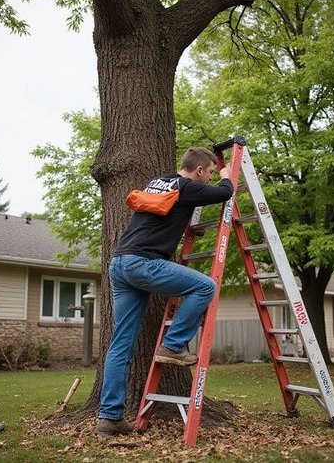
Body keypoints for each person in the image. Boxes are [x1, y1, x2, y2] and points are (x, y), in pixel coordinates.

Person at [95, 147, 234, 437]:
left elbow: (164, 218)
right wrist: (225, 175)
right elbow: (224, 192)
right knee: (205, 285)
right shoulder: (187, 187)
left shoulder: (160, 182)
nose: (209, 177)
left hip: (120, 263)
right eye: (208, 172)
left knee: (120, 345)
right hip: (142, 263)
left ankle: (110, 419)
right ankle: (173, 344)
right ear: (199, 171)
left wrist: (187, 228)